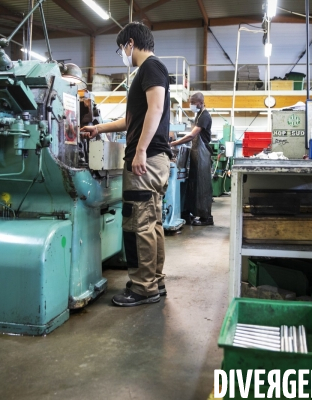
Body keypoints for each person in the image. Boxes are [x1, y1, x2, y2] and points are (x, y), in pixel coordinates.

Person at [81, 22, 172, 307]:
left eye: (122, 48)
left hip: (147, 160)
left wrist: (140, 150)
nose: (123, 53)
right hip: (154, 160)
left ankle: (143, 288)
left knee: (138, 224)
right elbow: (132, 119)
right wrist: (100, 129)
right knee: (152, 223)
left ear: (130, 43)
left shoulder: (151, 68)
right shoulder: (148, 72)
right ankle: (154, 281)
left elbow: (156, 109)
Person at [170, 92, 214, 226]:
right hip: (197, 153)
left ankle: (206, 218)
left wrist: (173, 143)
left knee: (202, 186)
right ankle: (196, 214)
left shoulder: (204, 116)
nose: (191, 105)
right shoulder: (199, 115)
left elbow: (191, 136)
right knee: (195, 185)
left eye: (193, 103)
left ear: (200, 103)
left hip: (202, 154)